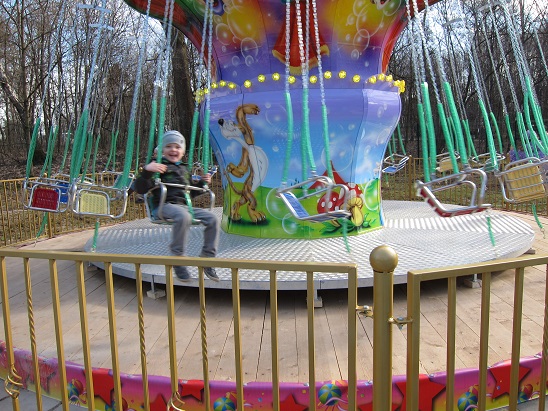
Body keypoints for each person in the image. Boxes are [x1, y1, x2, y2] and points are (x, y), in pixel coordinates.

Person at [135, 130, 220, 282]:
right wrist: (147, 171)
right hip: (164, 206)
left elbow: (190, 193)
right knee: (183, 216)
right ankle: (178, 258)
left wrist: (202, 183)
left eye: (177, 147)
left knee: (213, 218)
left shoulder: (184, 169)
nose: (173, 150)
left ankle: (208, 257)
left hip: (184, 206)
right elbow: (140, 188)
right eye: (168, 146)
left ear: (183, 152)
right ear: (162, 150)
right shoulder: (159, 167)